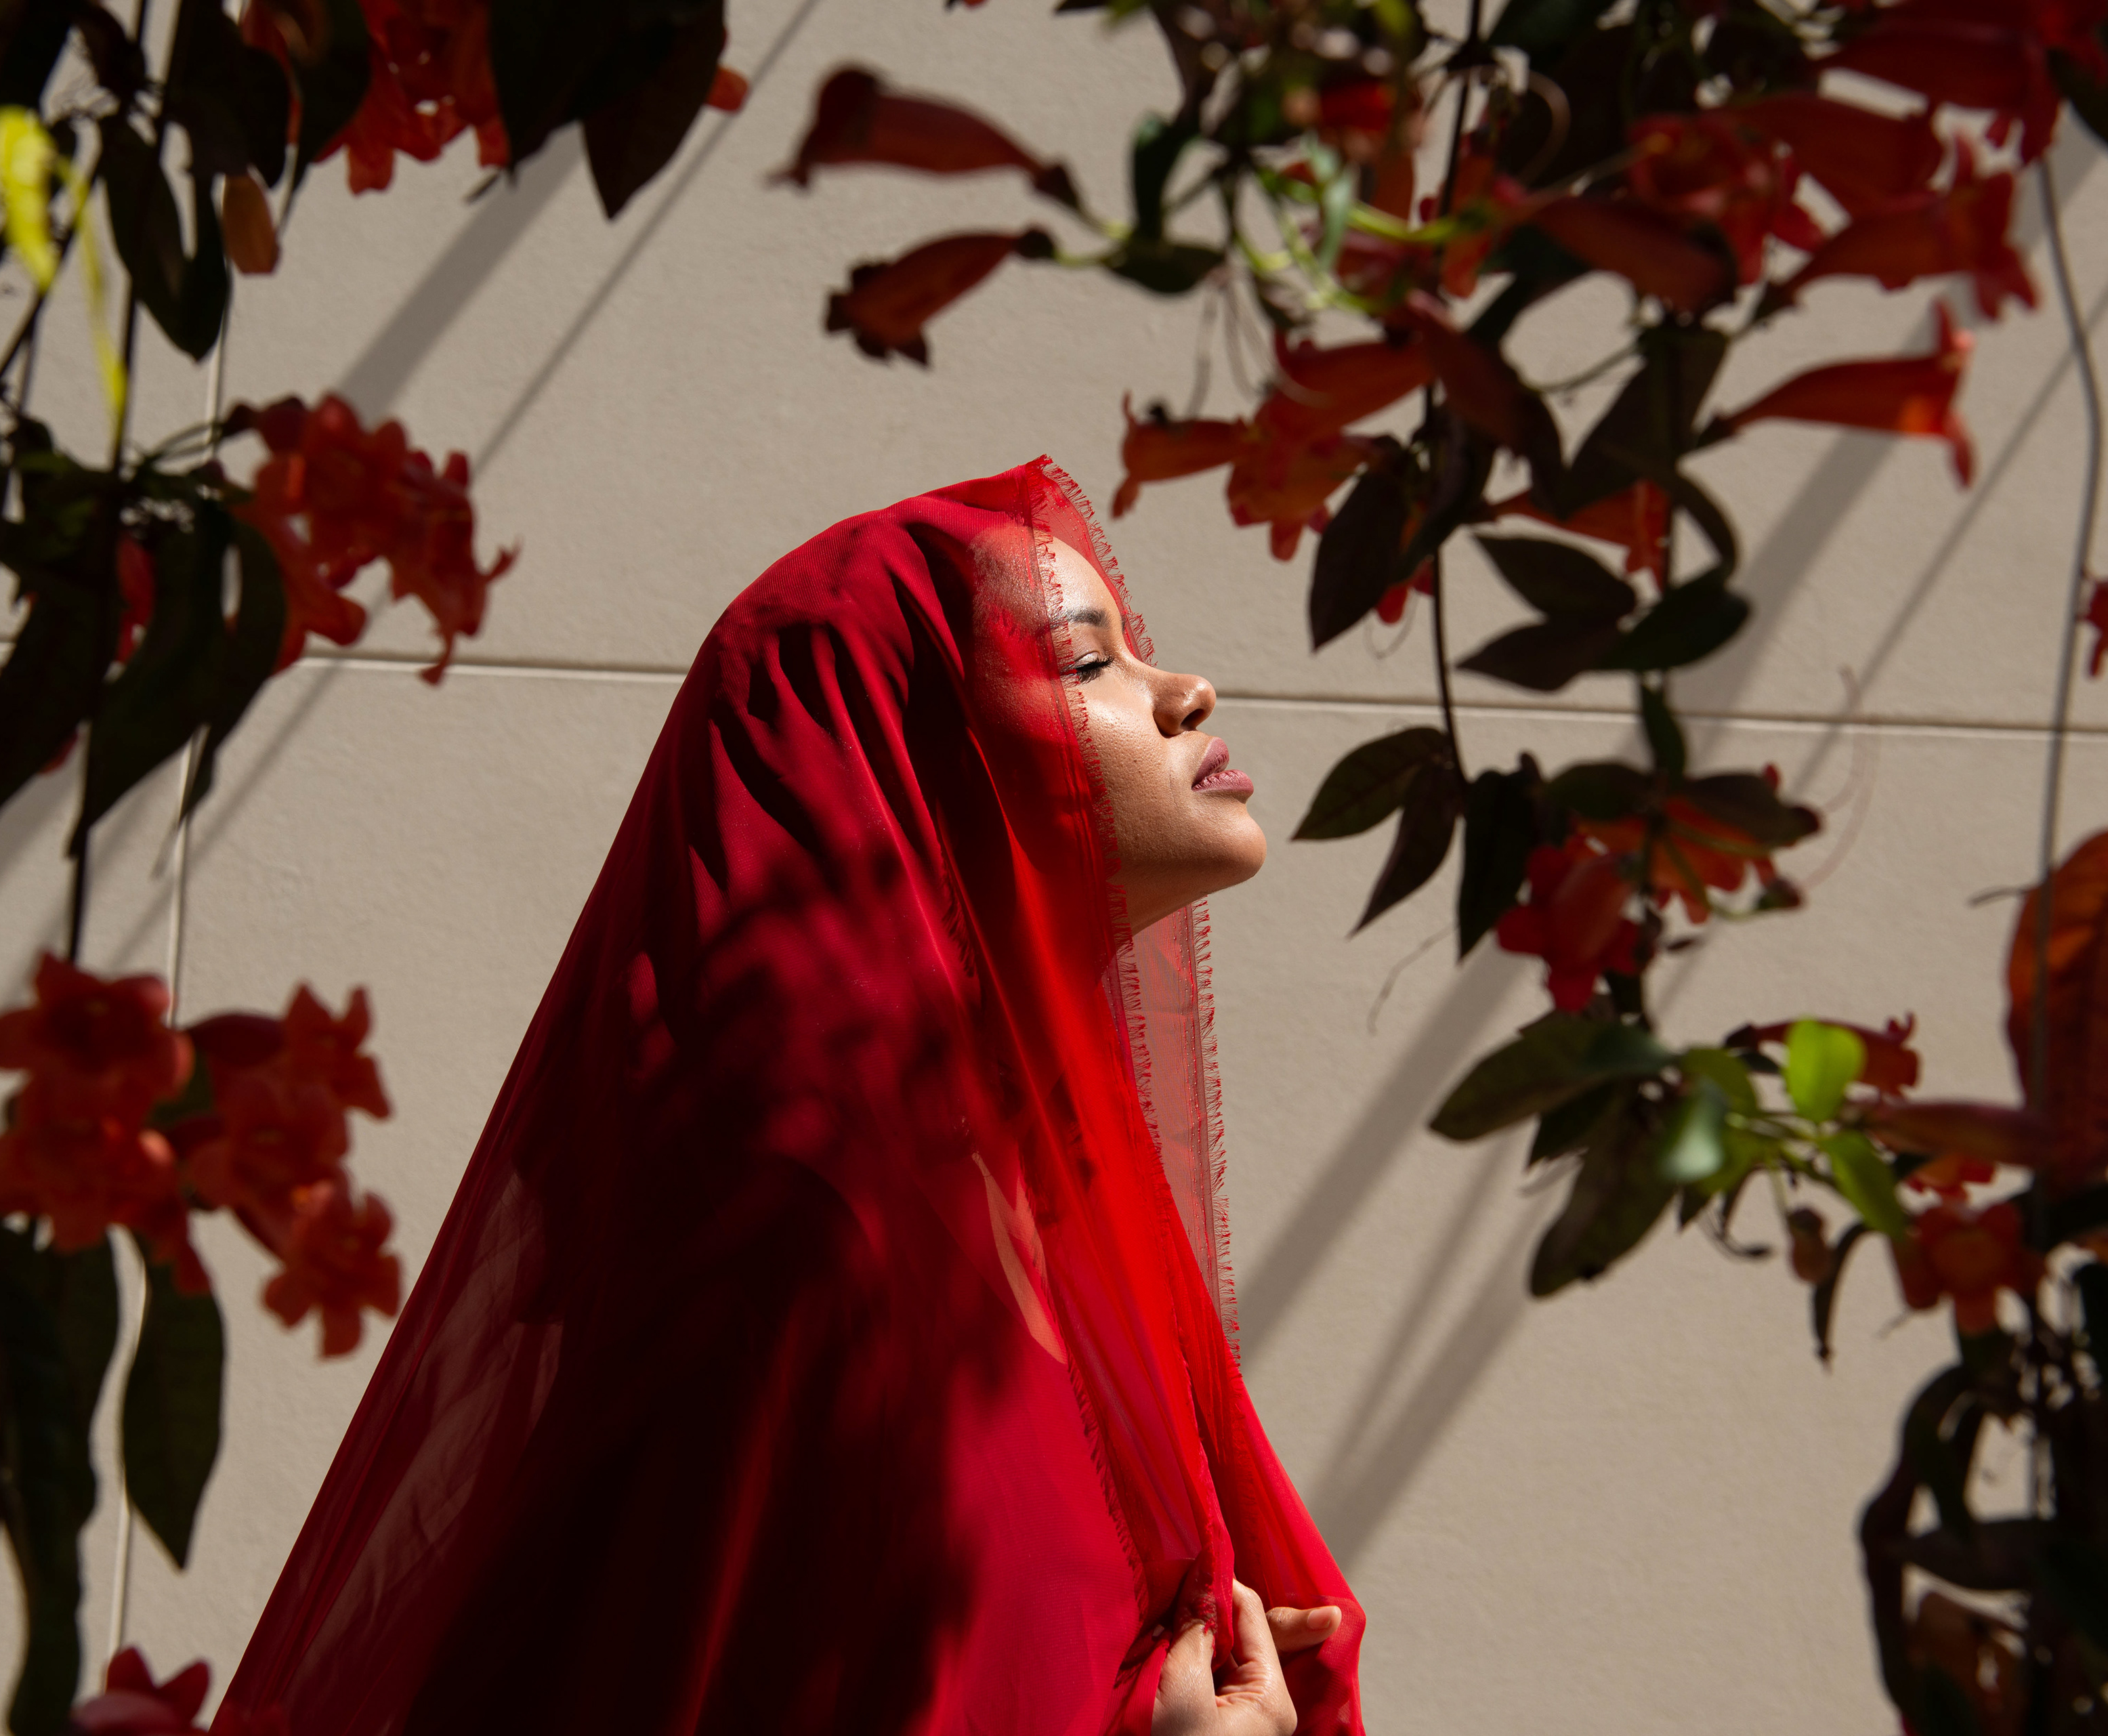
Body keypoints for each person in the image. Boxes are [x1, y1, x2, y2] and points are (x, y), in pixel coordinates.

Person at [212, 459, 1365, 1736]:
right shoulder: (802, 1248)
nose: (1186, 691)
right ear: (921, 768)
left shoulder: (1058, 1209)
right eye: (1089, 663)